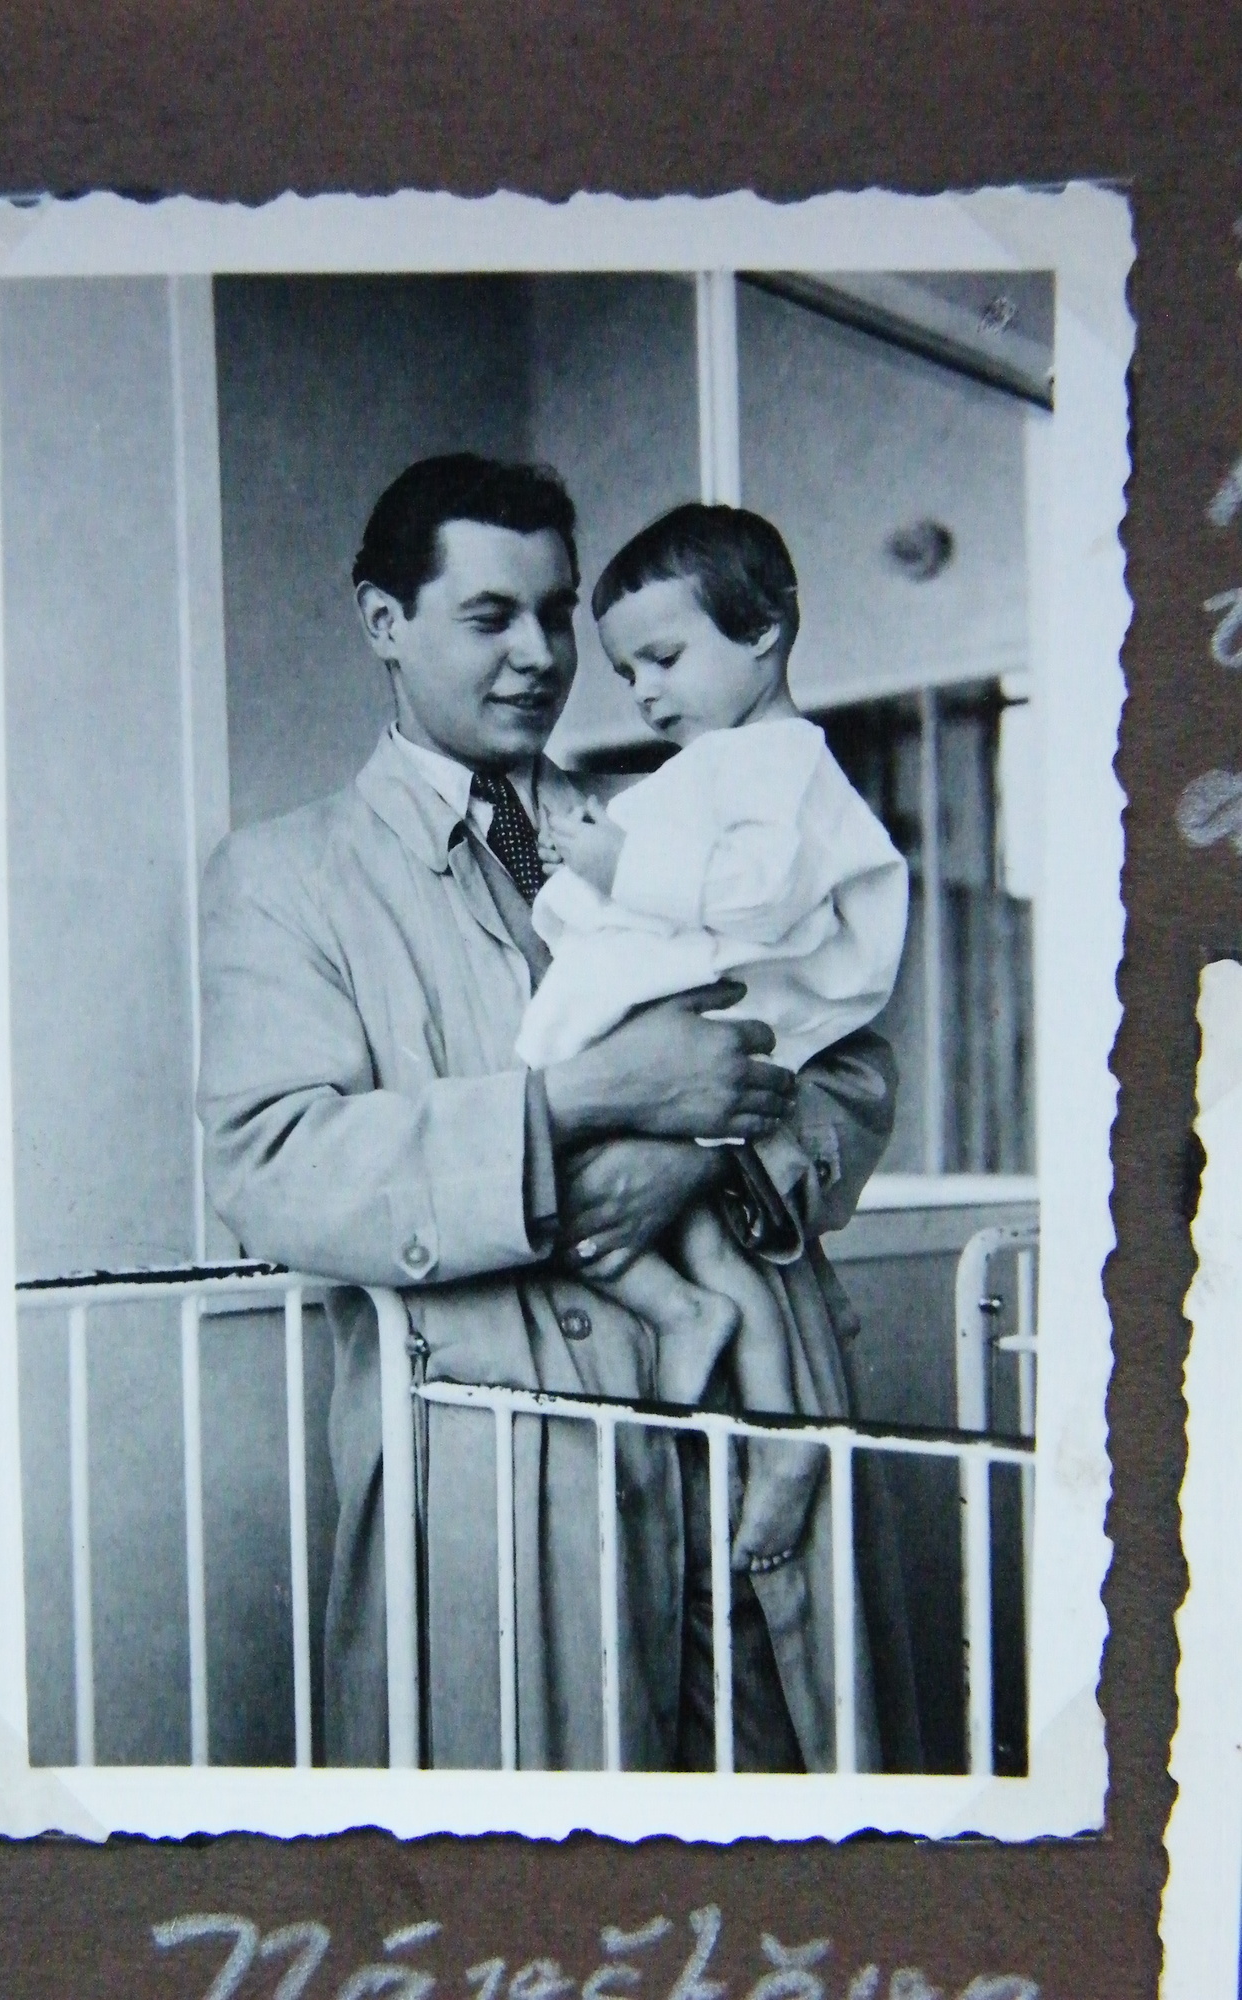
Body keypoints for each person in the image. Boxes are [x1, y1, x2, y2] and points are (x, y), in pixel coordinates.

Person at [198, 453, 919, 1773]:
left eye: (554, 612)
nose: (540, 654)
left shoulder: (667, 815)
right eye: (491, 616)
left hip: (755, 1437)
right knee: (556, 1862)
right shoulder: (285, 877)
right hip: (519, 1467)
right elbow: (274, 1163)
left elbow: (853, 1063)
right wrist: (580, 1104)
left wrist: (701, 1166)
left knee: (801, 1830)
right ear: (384, 622)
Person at [515, 503, 909, 1567]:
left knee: (692, 1214)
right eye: (627, 671)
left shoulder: (776, 763)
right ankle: (694, 1324)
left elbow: (758, 891)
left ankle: (782, 1434)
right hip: (678, 1024)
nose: (644, 692)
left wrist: (611, 867)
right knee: (663, 1222)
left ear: (764, 630)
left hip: (733, 1017)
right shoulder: (714, 764)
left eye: (665, 659)